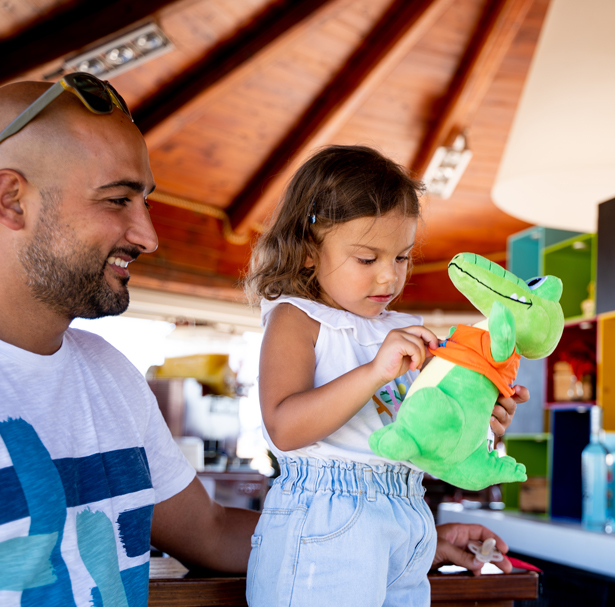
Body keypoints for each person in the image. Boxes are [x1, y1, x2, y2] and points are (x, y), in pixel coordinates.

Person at [0, 74, 259, 607]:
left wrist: (402, 542)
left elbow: (209, 531)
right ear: (11, 200)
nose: (148, 236)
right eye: (117, 199)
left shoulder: (109, 373)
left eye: (144, 202)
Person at [244, 145, 528, 606]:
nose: (388, 279)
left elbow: (427, 435)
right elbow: (284, 425)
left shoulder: (403, 330)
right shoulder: (296, 318)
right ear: (309, 250)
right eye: (367, 259)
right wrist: (375, 370)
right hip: (325, 516)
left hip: (408, 511)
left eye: (401, 257)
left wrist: (482, 417)